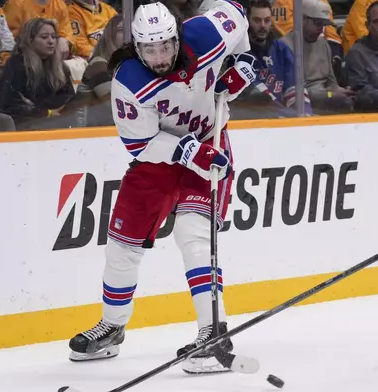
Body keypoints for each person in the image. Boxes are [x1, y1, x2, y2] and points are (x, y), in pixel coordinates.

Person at [67, 0, 258, 375]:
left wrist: (245, 62)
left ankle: (213, 333)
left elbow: (234, 10)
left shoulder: (204, 34)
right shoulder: (129, 82)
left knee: (194, 234)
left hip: (209, 142)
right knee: (122, 246)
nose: (158, 57)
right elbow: (141, 144)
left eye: (165, 46)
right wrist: (187, 151)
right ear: (138, 47)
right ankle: (112, 327)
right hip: (160, 158)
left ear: (177, 37)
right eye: (149, 49)